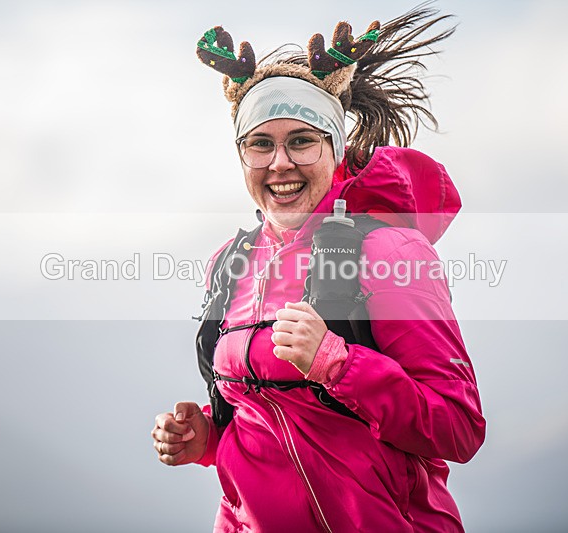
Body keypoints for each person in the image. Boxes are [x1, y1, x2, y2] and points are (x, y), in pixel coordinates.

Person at [152, 6, 486, 532]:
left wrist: (336, 363)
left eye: (301, 141)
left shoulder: (389, 252)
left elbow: (458, 427)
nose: (280, 163)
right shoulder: (230, 263)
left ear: (335, 147)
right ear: (242, 158)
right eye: (260, 144)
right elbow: (274, 427)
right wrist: (208, 442)